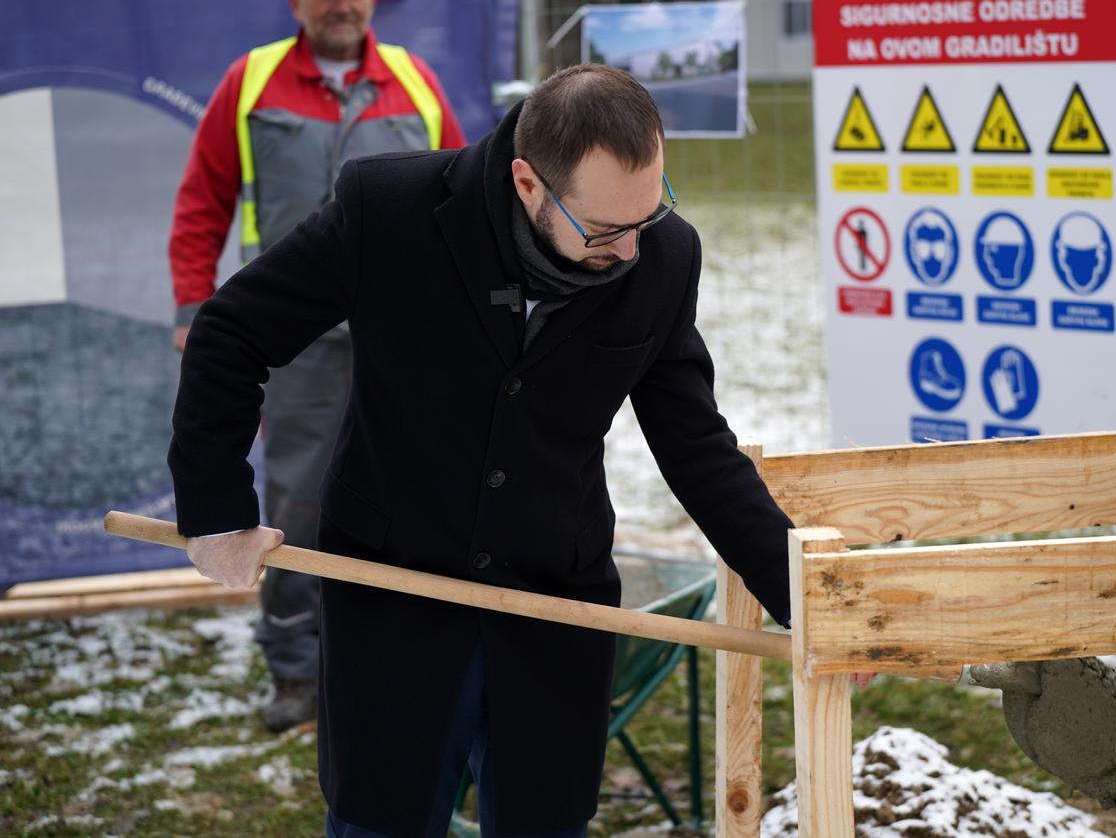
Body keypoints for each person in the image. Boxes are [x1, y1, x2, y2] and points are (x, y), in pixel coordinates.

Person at [170, 64, 796, 836]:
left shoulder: (662, 257)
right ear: (528, 183)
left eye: (651, 211)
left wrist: (800, 590)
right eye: (605, 230)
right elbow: (231, 334)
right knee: (382, 822)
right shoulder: (390, 211)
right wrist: (217, 510)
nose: (632, 248)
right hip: (391, 591)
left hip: (554, 602)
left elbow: (696, 443)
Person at [167, 0, 465, 733]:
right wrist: (193, 311)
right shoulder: (251, 83)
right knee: (299, 498)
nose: (342, 5)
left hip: (402, 337)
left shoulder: (416, 81)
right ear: (297, 0)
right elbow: (204, 200)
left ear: (372, 0)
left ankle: (386, 653)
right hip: (290, 337)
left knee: (406, 493)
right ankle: (296, 667)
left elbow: (465, 196)